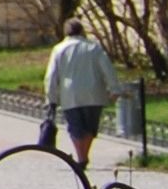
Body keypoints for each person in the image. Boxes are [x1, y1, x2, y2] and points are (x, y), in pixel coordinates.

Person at [42, 19, 120, 167]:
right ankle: (84, 156)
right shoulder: (94, 48)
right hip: (94, 93)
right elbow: (108, 69)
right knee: (90, 127)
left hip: (70, 95)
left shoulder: (59, 49)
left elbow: (51, 76)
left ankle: (81, 157)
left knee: (76, 128)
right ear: (82, 31)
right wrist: (114, 89)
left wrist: (50, 98)